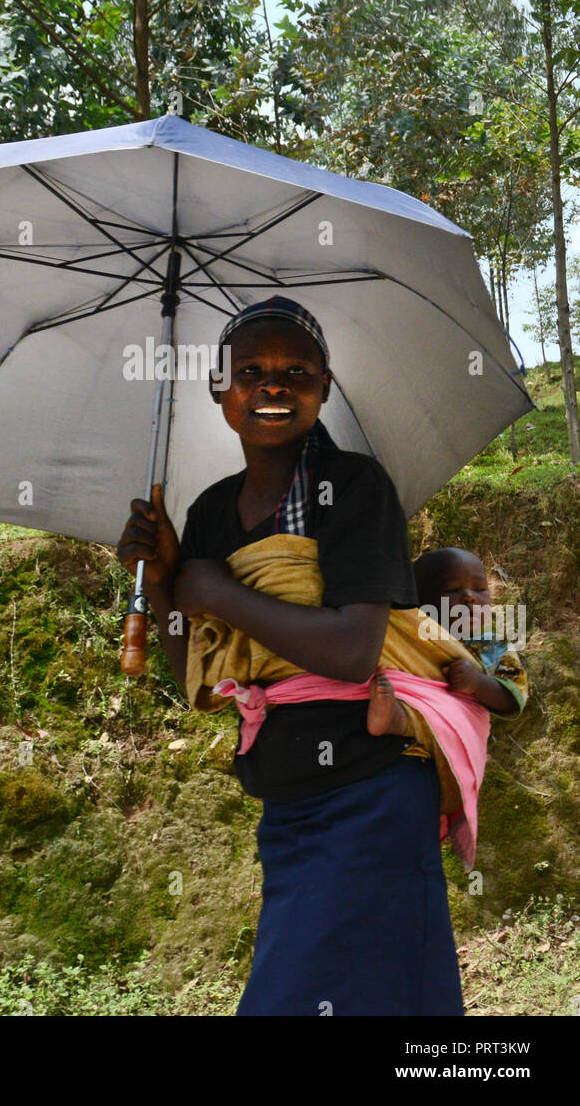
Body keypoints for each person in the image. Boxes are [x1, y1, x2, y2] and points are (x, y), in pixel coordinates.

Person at [116, 295, 464, 1016]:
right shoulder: (210, 512)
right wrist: (162, 585)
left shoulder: (353, 488)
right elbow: (196, 676)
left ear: (324, 387)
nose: (272, 385)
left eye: (294, 370)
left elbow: (349, 649)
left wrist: (211, 588)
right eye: (250, 371)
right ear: (219, 389)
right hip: (288, 807)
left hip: (368, 794)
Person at [366, 548, 528, 741]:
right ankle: (395, 717)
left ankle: (398, 721)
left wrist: (477, 683)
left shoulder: (491, 644)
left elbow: (513, 696)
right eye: (452, 590)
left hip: (456, 729)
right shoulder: (408, 636)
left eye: (479, 589)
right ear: (419, 600)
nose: (470, 597)